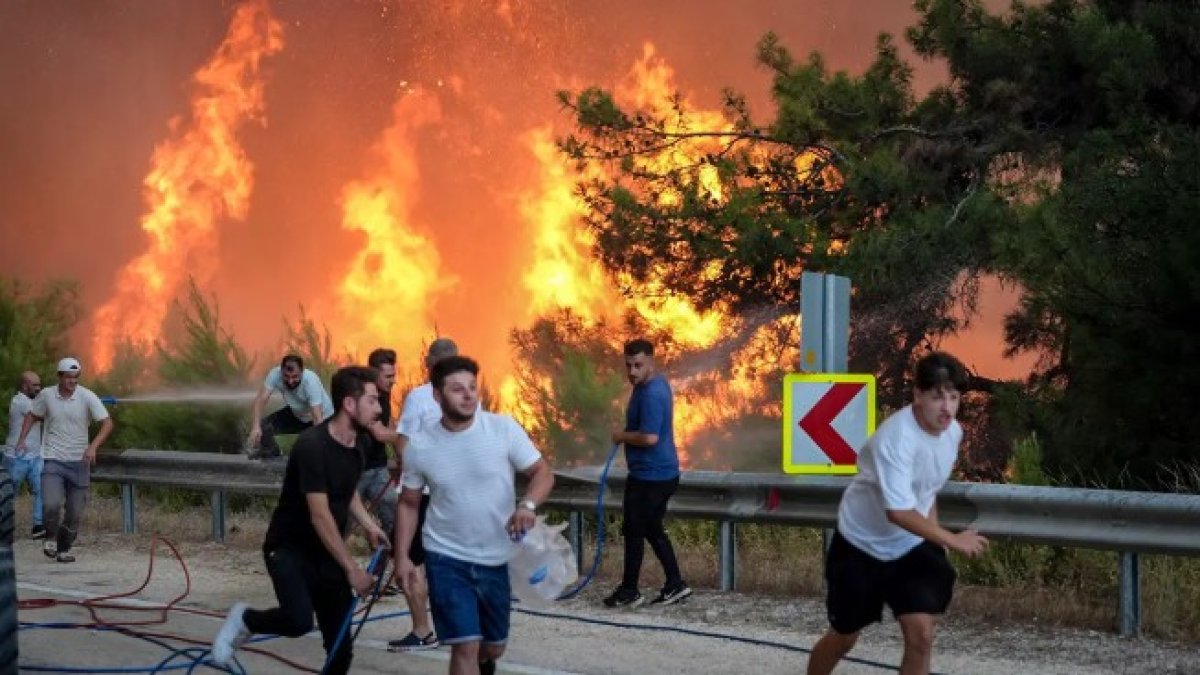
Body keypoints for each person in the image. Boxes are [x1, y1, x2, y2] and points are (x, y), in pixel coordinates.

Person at [806, 352, 990, 675]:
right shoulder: (895, 439)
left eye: (954, 397)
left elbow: (926, 489)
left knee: (921, 636)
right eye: (937, 397)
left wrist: (936, 541)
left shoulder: (953, 433)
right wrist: (951, 538)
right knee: (845, 637)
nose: (947, 408)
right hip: (861, 545)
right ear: (918, 395)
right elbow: (899, 512)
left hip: (909, 544)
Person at [211, 366, 390, 673]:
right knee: (297, 621)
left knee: (340, 650)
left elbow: (347, 494)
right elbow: (320, 516)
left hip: (325, 553)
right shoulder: (312, 446)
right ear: (349, 404)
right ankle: (245, 618)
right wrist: (352, 570)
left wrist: (372, 526)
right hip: (289, 548)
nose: (380, 408)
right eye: (373, 400)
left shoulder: (359, 446)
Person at [393, 355, 554, 675]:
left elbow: (542, 473)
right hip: (445, 556)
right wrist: (401, 557)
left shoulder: (503, 429)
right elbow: (409, 504)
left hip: (496, 558)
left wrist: (527, 506)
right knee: (464, 644)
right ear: (437, 396)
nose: (468, 395)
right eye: (457, 389)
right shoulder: (420, 446)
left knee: (492, 647)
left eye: (472, 387)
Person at [385, 337, 476, 653]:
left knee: (407, 560)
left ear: (429, 363)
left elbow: (403, 442)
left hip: (420, 494)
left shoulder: (420, 397)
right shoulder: (469, 396)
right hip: (456, 495)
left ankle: (423, 631)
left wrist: (400, 464)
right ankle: (461, 628)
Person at [603, 338, 690, 608]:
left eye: (638, 365)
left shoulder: (652, 393)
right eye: (628, 365)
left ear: (651, 361)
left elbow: (650, 438)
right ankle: (675, 584)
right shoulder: (648, 385)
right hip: (654, 474)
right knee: (650, 529)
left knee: (634, 531)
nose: (632, 372)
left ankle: (630, 591)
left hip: (651, 477)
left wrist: (621, 436)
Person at [14, 357, 112, 563]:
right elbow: (32, 416)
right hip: (53, 460)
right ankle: (49, 537)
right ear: (60, 376)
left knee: (75, 512)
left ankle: (64, 548)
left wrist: (93, 447)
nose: (73, 382)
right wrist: (21, 440)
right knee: (51, 503)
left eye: (76, 378)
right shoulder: (47, 395)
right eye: (69, 377)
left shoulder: (87, 396)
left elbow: (107, 423)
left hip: (79, 463)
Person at [247, 354, 334, 459]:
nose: (290, 381)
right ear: (281, 371)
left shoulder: (310, 382)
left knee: (313, 449)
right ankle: (272, 455)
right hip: (298, 414)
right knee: (264, 426)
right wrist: (255, 427)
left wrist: (320, 444)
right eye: (286, 376)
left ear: (302, 372)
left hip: (322, 418)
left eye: (295, 377)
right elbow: (260, 400)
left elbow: (317, 416)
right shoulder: (275, 374)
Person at [3, 372, 44, 539]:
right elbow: (39, 415)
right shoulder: (19, 401)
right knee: (7, 494)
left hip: (35, 456)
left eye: (39, 384)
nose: (38, 388)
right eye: (34, 385)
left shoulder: (34, 401)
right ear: (24, 386)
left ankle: (38, 525)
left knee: (42, 490)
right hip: (15, 457)